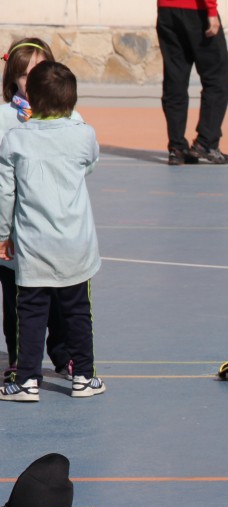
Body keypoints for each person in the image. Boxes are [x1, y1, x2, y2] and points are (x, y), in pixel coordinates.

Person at [0, 61, 104, 402]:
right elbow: (90, 163)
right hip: (76, 245)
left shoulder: (15, 140)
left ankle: (27, 381)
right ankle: (84, 377)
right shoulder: (83, 133)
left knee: (30, 314)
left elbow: (5, 193)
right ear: (71, 99)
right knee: (78, 312)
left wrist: (3, 235)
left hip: (33, 246)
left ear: (30, 97)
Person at [0, 38, 76, 383]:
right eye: (23, 74)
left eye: (38, 71)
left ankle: (64, 355)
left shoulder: (69, 118)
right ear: (12, 79)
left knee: (62, 297)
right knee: (17, 300)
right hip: (17, 230)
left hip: (55, 228)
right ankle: (21, 360)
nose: (30, 80)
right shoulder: (5, 118)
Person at [156, 0, 228, 165]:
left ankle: (177, 147)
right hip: (196, 10)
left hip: (166, 10)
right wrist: (211, 10)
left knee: (175, 78)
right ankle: (206, 142)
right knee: (217, 77)